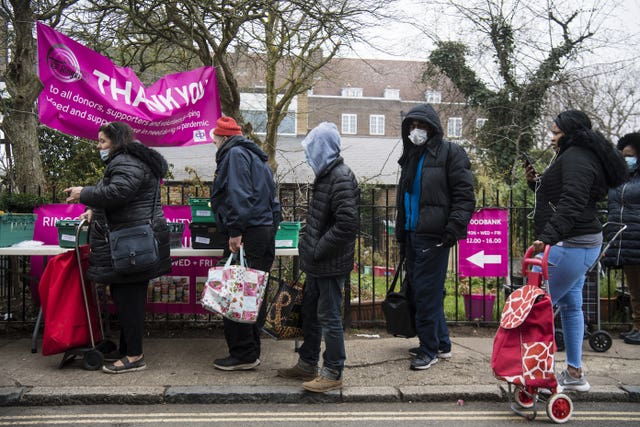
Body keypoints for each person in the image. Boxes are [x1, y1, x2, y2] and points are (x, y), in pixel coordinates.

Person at [529, 110, 627, 390]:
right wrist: (535, 185)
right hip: (580, 243)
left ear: (571, 133)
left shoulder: (575, 157)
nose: (552, 138)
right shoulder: (578, 156)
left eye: (556, 133)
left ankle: (538, 376)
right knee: (571, 307)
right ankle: (574, 374)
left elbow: (572, 202)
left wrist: (547, 238)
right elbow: (567, 196)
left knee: (536, 310)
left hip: (570, 244)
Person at [64, 121, 172, 374]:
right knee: (125, 298)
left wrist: (84, 193)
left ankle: (135, 356)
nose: (99, 147)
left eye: (102, 142)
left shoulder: (125, 160)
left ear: (117, 141)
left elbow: (119, 192)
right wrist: (95, 211)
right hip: (133, 241)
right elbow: (121, 198)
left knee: (129, 301)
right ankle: (126, 349)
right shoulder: (129, 159)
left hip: (131, 242)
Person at [277, 122, 359, 393]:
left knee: (329, 316)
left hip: (329, 263)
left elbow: (347, 225)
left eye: (311, 149)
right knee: (311, 313)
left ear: (323, 149)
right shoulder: (327, 175)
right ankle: (308, 362)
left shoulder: (341, 177)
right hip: (317, 262)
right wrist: (307, 243)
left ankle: (333, 370)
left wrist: (316, 248)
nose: (308, 155)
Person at [395, 104, 475, 371]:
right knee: (424, 290)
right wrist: (401, 235)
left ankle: (428, 350)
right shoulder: (411, 155)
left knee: (426, 294)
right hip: (412, 234)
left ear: (433, 128)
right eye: (412, 126)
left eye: (422, 126)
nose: (417, 131)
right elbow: (404, 199)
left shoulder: (451, 153)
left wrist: (453, 228)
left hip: (434, 236)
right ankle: (441, 344)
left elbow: (465, 196)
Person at [209, 116, 280, 371]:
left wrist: (235, 231)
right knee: (253, 293)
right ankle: (251, 351)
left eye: (215, 140)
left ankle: (242, 354)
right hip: (262, 231)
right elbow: (272, 199)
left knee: (236, 292)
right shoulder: (256, 157)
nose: (214, 144)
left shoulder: (235, 155)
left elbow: (238, 195)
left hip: (248, 232)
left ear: (224, 138)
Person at [602, 132, 640, 345]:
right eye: (623, 155)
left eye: (630, 155)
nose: (627, 159)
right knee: (634, 289)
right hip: (625, 240)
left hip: (636, 237)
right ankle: (637, 326)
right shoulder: (620, 178)